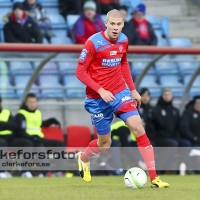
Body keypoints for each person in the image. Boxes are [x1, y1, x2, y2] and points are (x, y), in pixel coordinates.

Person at [76, 9, 169, 188]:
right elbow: (80, 71)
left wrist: (132, 90)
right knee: (105, 144)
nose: (115, 28)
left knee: (138, 128)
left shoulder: (124, 40)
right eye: (112, 24)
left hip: (120, 92)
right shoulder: (93, 42)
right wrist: (101, 90)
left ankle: (154, 179)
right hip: (97, 98)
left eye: (119, 24)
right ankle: (83, 157)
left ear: (123, 24)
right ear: (106, 23)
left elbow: (123, 62)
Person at [15, 93, 66, 177]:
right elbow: (21, 131)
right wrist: (33, 138)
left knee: (60, 144)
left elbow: (39, 123)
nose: (32, 104)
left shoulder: (38, 112)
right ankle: (46, 172)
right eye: (30, 102)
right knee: (38, 145)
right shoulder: (21, 114)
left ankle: (61, 171)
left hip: (39, 138)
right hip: (30, 139)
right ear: (26, 103)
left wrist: (50, 121)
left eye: (34, 102)